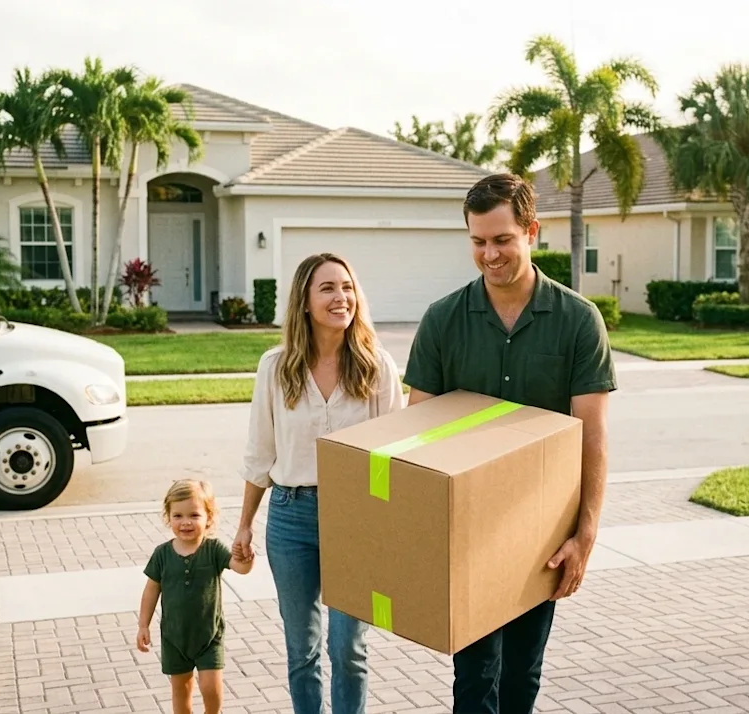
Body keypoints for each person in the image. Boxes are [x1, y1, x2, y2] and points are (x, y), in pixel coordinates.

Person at [402, 173, 615, 714]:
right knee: (475, 680)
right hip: (465, 531)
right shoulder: (443, 320)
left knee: (522, 676)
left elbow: (592, 436)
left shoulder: (578, 321)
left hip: (541, 532)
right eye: (478, 241)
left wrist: (586, 533)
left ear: (532, 232)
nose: (489, 254)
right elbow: (416, 434)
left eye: (502, 240)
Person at [232, 252, 405, 714]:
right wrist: (244, 525)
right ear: (304, 302)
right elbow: (260, 454)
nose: (341, 297)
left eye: (347, 287)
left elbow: (396, 456)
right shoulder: (275, 367)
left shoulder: (376, 366)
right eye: (327, 288)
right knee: (301, 649)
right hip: (290, 517)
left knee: (348, 647)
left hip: (356, 518)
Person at [137, 478, 255, 714]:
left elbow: (239, 568)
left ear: (208, 517)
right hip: (174, 637)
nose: (185, 522)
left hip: (209, 637)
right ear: (168, 517)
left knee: (210, 688)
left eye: (194, 515)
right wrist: (143, 625)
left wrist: (247, 559)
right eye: (178, 515)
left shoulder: (213, 550)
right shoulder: (162, 554)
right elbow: (151, 590)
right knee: (181, 690)